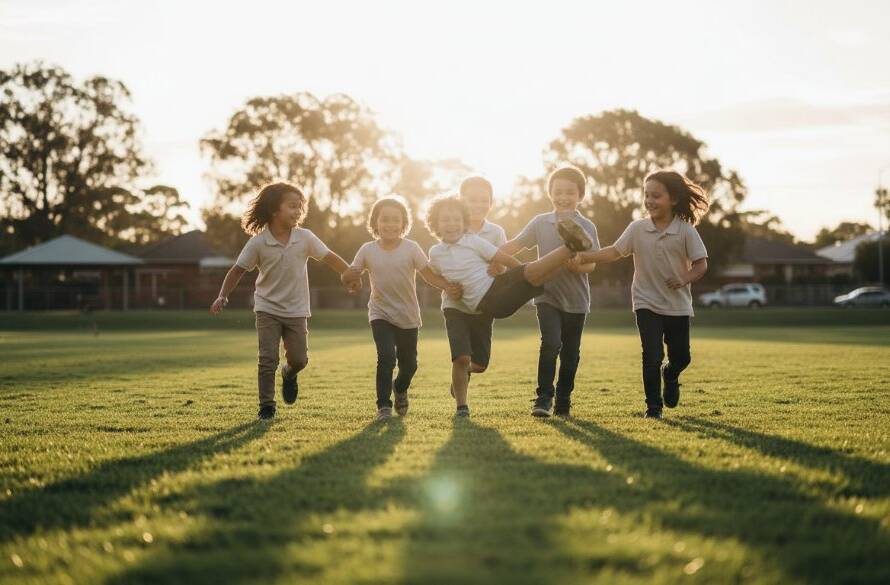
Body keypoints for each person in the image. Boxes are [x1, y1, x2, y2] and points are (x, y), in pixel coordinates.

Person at [425, 194, 593, 417]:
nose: (451, 224)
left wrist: (519, 274)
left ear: (465, 222)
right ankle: (462, 403)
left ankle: (570, 249)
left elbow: (501, 256)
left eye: (456, 219)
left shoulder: (473, 241)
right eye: (445, 220)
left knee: (534, 274)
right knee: (467, 361)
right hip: (484, 304)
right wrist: (446, 286)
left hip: (495, 291)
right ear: (435, 224)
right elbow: (431, 275)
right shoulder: (435, 253)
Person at [210, 182, 356, 420]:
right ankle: (266, 406)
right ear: (274, 209)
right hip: (267, 308)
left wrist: (349, 274)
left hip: (297, 310)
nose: (298, 211)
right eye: (292, 206)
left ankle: (289, 374)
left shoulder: (305, 237)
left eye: (300, 207)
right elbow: (237, 270)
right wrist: (222, 295)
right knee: (267, 358)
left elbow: (329, 257)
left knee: (299, 359)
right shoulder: (258, 242)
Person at [572, 170, 708, 418]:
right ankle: (653, 408)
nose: (649, 201)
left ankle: (672, 374)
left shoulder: (686, 231)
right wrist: (585, 256)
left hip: (677, 306)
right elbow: (614, 252)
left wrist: (683, 278)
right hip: (645, 302)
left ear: (674, 199)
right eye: (647, 195)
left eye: (656, 196)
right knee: (652, 355)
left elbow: (701, 265)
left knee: (682, 357)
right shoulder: (637, 228)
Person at [341, 196, 462, 421]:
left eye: (395, 220)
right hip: (380, 313)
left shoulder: (411, 248)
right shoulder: (367, 249)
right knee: (386, 357)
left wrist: (447, 286)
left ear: (403, 224)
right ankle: (383, 407)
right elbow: (352, 273)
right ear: (375, 223)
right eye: (384, 220)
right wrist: (350, 280)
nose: (390, 224)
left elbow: (428, 275)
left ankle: (400, 387)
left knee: (410, 365)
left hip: (407, 315)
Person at [499, 165, 600, 418]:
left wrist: (579, 266)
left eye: (569, 192)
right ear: (550, 193)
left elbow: (593, 262)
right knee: (551, 344)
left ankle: (564, 400)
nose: (563, 197)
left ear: (580, 195)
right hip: (546, 295)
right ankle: (543, 398)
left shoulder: (586, 225)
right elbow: (517, 245)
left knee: (570, 353)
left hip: (576, 300)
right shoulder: (540, 222)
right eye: (558, 192)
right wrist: (492, 257)